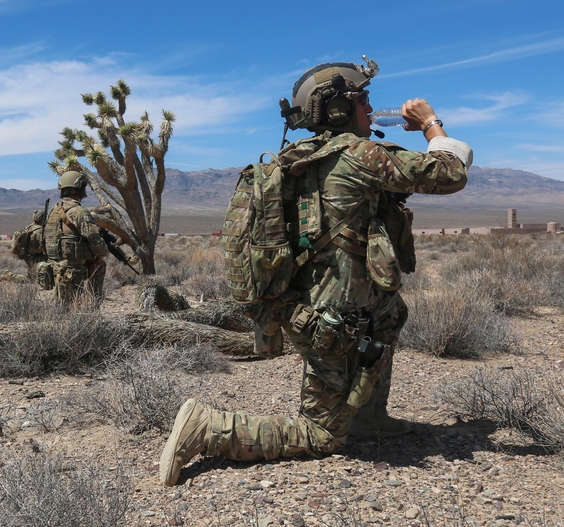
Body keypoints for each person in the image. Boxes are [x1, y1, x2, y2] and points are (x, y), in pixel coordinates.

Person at [159, 56, 472, 486]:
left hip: (317, 304)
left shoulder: (299, 158)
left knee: (391, 312)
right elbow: (450, 173)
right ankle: (208, 428)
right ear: (341, 109)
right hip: (333, 320)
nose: (370, 109)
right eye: (363, 100)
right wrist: (431, 123)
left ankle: (368, 417)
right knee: (321, 435)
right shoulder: (360, 155)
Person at [43, 170, 109, 303]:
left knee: (63, 305)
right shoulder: (79, 211)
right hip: (73, 269)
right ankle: (93, 306)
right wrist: (102, 252)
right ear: (80, 188)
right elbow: (94, 238)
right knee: (100, 264)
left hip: (54, 266)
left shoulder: (53, 211)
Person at [11, 209, 48, 281]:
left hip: (28, 256)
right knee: (35, 278)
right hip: (37, 257)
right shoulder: (40, 230)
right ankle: (9, 276)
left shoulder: (29, 227)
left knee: (32, 276)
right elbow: (43, 246)